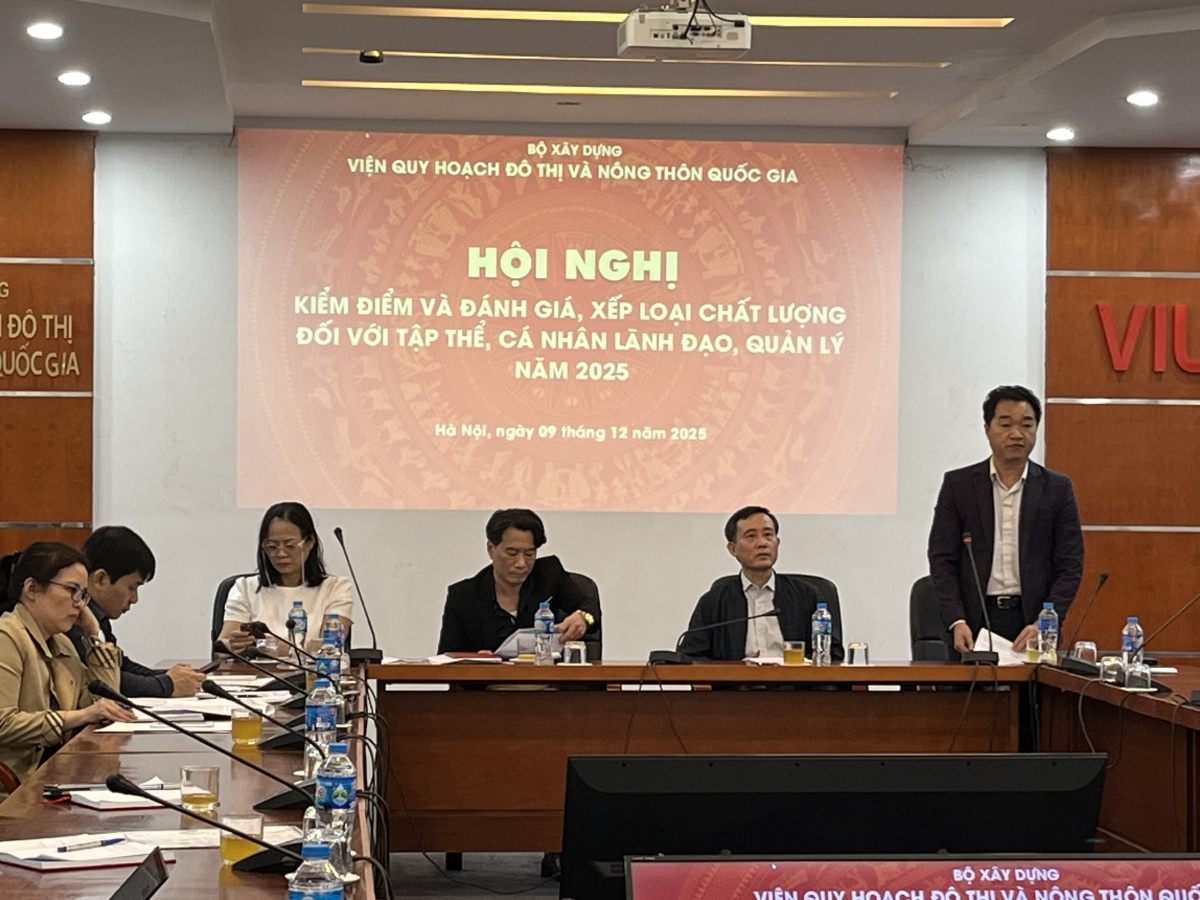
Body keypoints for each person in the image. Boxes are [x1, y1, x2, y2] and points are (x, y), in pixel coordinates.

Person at [928, 385, 1084, 655]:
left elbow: (1070, 563)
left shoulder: (1057, 489)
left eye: (1027, 425)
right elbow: (942, 558)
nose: (1017, 434)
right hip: (973, 622)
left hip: (1032, 623)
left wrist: (1046, 622)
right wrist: (956, 620)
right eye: (1005, 424)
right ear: (987, 428)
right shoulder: (959, 486)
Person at [0, 541, 137, 795]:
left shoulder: (61, 642)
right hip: (14, 788)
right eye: (72, 590)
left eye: (83, 595)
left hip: (56, 777)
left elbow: (102, 703)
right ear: (31, 588)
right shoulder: (7, 636)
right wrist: (80, 716)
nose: (80, 604)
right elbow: (3, 723)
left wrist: (94, 633)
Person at [681, 506, 844, 661]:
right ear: (732, 548)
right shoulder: (714, 602)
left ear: (777, 542)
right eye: (751, 536)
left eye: (768, 535)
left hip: (794, 681)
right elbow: (692, 656)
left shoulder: (807, 595)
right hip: (737, 681)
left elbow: (832, 653)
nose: (762, 543)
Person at [64, 526, 206, 698]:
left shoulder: (97, 616)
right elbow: (103, 680)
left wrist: (169, 677)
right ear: (100, 579)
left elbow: (120, 665)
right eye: (132, 587)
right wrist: (166, 684)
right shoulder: (74, 618)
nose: (135, 599)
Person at [438, 508, 600, 654]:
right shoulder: (464, 595)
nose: (521, 563)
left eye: (529, 554)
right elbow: (446, 659)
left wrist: (583, 618)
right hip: (489, 678)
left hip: (545, 675)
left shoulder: (549, 575)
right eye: (512, 553)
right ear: (491, 549)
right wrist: (475, 660)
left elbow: (590, 609)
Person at [217, 502, 353, 656]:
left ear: (310, 542)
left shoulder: (335, 588)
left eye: (290, 545)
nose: (281, 554)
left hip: (313, 671)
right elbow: (221, 648)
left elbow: (330, 647)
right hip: (255, 671)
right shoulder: (244, 588)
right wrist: (233, 646)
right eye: (272, 546)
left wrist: (272, 646)